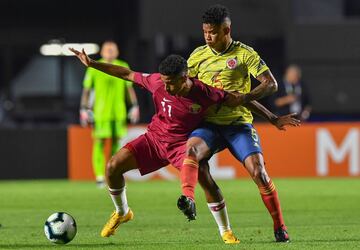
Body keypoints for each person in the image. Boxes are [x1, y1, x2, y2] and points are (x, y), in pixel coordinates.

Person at [70, 48, 299, 243]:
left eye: (172, 83)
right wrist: (92, 64)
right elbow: (126, 74)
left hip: (181, 144)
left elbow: (238, 98)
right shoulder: (157, 81)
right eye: (165, 82)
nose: (167, 88)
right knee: (112, 167)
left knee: (206, 179)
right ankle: (122, 212)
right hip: (153, 140)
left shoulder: (204, 92)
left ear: (185, 77)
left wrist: (272, 117)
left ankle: (226, 231)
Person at [179, 5, 292, 242]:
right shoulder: (198, 56)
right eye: (204, 32)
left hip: (238, 124)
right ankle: (192, 201)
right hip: (208, 124)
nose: (208, 37)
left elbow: (271, 85)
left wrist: (245, 97)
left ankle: (279, 225)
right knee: (192, 155)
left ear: (226, 29)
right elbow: (183, 88)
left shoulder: (244, 54)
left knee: (259, 172)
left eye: (212, 32)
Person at [79, 41, 140, 187]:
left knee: (115, 144)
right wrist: (83, 108)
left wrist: (135, 106)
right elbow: (87, 90)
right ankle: (99, 176)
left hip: (118, 112)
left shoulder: (123, 65)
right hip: (100, 112)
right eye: (107, 49)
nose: (110, 52)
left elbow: (129, 89)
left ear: (117, 52)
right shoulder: (94, 67)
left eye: (113, 49)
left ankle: (111, 173)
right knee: (99, 142)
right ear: (102, 52)